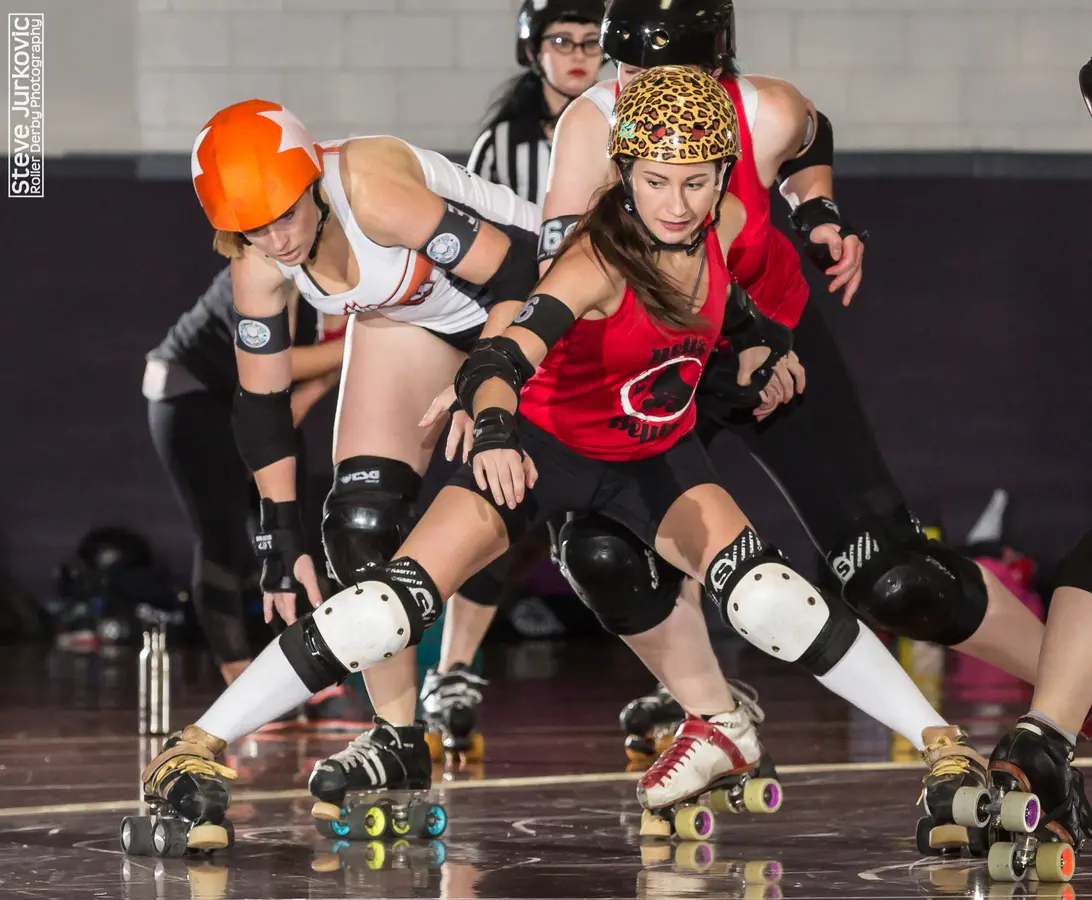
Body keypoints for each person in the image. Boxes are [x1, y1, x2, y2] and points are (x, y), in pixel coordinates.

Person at [132, 68, 971, 847]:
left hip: (627, 434)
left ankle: (924, 743)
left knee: (759, 594)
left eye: (694, 183)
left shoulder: (718, 247)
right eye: (654, 182)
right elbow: (507, 341)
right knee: (381, 587)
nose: (675, 204)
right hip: (531, 410)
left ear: (724, 182)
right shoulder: (595, 259)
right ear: (624, 178)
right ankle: (219, 740)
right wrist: (484, 421)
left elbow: (741, 295)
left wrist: (766, 348)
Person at [449, 0, 1050, 854]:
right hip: (661, 358)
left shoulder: (765, 110)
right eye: (633, 78)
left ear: (719, 73)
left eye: (673, 82)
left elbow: (812, 139)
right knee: (601, 550)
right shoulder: (593, 122)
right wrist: (493, 372)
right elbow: (564, 281)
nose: (649, 103)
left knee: (895, 580)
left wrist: (818, 214)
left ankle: (1074, 690)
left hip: (769, 345)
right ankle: (714, 717)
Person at [419, 0, 609, 762]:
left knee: (659, 486)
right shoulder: (503, 144)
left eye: (592, 43)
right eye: (561, 41)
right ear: (534, 52)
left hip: (612, 338)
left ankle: (673, 677)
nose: (576, 56)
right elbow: (481, 259)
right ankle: (457, 668)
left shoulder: (630, 126)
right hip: (527, 336)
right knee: (504, 503)